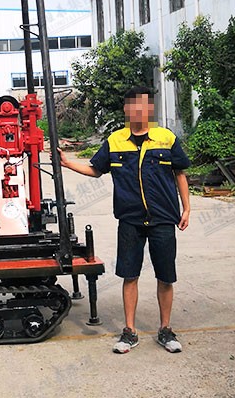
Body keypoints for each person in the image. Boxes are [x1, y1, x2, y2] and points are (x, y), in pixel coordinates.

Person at [59, 85, 190, 354]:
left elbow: (180, 174)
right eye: (133, 106)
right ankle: (129, 331)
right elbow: (96, 170)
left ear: (150, 109)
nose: (138, 110)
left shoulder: (166, 138)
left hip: (163, 218)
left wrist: (186, 208)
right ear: (126, 109)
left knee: (166, 276)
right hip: (130, 220)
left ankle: (165, 329)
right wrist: (68, 163)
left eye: (143, 105)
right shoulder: (115, 140)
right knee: (129, 275)